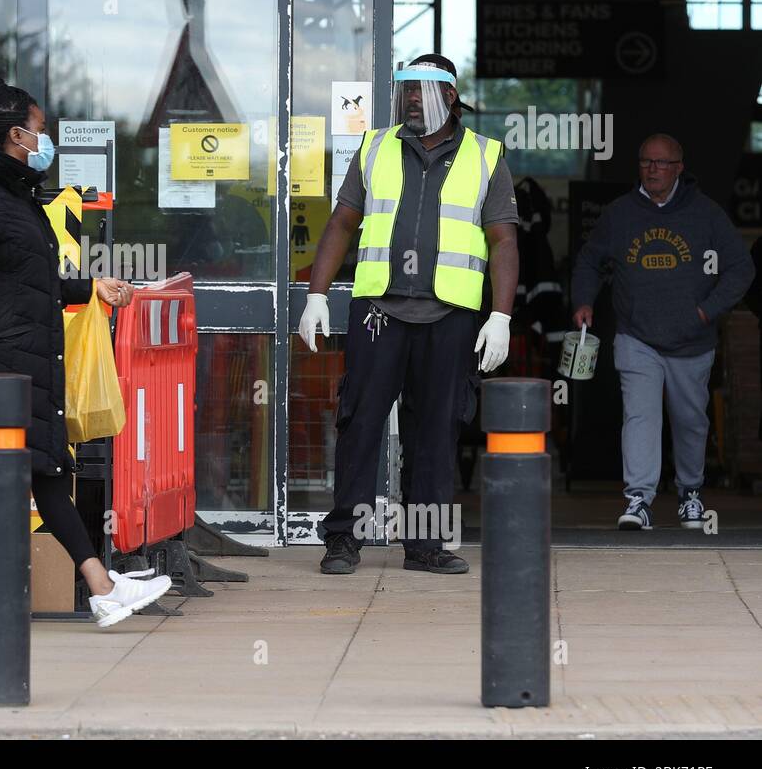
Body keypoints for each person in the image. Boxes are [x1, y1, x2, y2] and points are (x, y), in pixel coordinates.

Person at [0, 75, 171, 635]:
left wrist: (91, 288)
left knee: (46, 471)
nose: (47, 140)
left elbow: (29, 281)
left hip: (20, 363)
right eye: (41, 130)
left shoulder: (15, 199)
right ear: (17, 135)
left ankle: (102, 588)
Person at [299, 54, 520, 574]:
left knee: (437, 430)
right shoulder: (375, 147)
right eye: (408, 91)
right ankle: (343, 541)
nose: (414, 99)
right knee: (360, 423)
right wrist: (315, 294)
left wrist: (501, 315)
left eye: (424, 90)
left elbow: (503, 239)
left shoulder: (486, 156)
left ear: (450, 95)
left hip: (450, 315)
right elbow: (341, 223)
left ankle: (423, 547)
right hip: (380, 311)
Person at [572, 134, 753, 531]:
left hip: (692, 341)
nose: (652, 169)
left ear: (678, 169)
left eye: (661, 163)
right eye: (645, 162)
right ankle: (638, 499)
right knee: (640, 417)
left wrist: (708, 311)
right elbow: (589, 260)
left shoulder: (705, 214)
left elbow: (742, 268)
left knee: (690, 422)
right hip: (637, 338)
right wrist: (583, 300)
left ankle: (690, 494)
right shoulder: (620, 214)